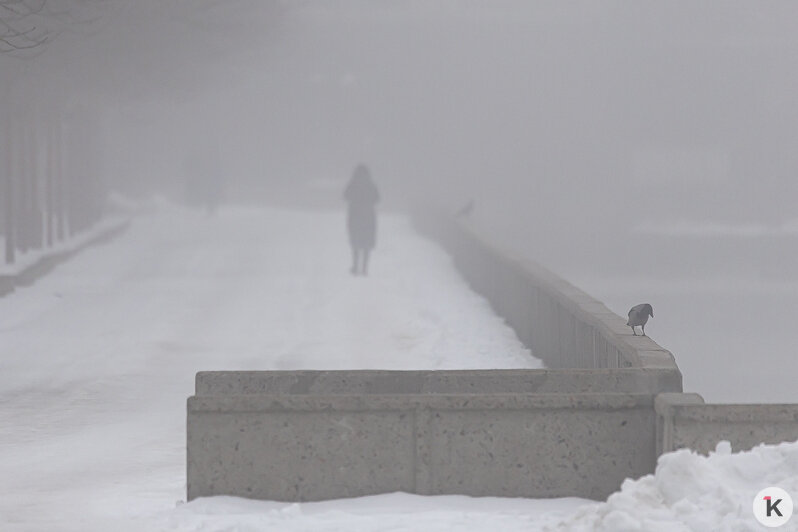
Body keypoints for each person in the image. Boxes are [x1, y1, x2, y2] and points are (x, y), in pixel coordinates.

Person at [343, 164, 379, 275]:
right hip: (368, 216)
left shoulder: (353, 184)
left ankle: (355, 266)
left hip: (354, 215)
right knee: (367, 242)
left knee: (355, 241)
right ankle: (365, 268)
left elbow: (345, 196)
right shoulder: (371, 185)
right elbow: (378, 198)